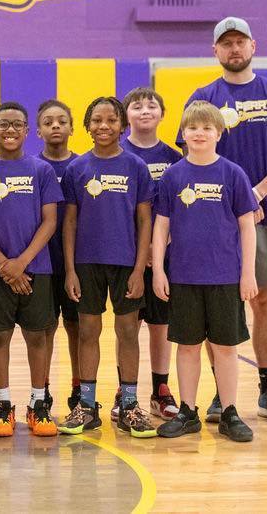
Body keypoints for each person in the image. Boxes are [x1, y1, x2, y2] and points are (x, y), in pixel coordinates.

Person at [178, 17, 267, 424]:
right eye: (226, 43)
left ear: (253, 46)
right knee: (221, 308)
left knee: (266, 302)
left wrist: (256, 193)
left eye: (240, 42)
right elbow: (193, 159)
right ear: (215, 51)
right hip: (215, 223)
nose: (234, 49)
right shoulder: (203, 97)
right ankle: (222, 394)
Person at [154, 101, 258, 442]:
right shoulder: (172, 176)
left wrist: (248, 274)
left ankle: (229, 412)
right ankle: (187, 411)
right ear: (183, 133)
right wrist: (158, 271)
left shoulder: (233, 174)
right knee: (187, 347)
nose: (199, 133)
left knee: (226, 347)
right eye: (192, 128)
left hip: (226, 277)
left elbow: (247, 226)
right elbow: (161, 227)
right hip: (183, 277)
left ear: (219, 132)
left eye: (207, 128)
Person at [59, 97, 156, 438]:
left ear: (122, 126)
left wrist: (139, 268)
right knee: (88, 331)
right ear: (87, 126)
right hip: (86, 264)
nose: (103, 126)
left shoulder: (136, 167)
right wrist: (70, 270)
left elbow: (145, 220)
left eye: (111, 120)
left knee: (128, 331)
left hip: (126, 263)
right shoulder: (76, 169)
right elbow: (69, 222)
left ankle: (129, 404)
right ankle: (86, 406)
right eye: (96, 120)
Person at [0, 102, 61, 438]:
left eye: (16, 124)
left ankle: (39, 404)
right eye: (3, 124)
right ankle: (3, 405)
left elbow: (50, 221)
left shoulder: (41, 171)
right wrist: (7, 266)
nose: (9, 130)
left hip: (37, 269)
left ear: (27, 130)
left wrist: (22, 263)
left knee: (37, 336)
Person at [121, 87, 182, 420]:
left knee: (161, 323)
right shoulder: (116, 153)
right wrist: (139, 249)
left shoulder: (174, 158)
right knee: (127, 324)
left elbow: (177, 206)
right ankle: (124, 390)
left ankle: (161, 389)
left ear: (162, 114)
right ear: (126, 114)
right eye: (137, 106)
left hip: (164, 256)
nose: (144, 111)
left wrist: (159, 247)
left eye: (152, 106)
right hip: (127, 254)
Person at [35, 99, 81, 411]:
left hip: (78, 261)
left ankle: (79, 386)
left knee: (77, 326)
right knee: (46, 326)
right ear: (37, 131)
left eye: (61, 121)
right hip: (43, 260)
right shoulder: (33, 168)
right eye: (48, 121)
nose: (55, 126)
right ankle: (44, 387)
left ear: (72, 128)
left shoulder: (82, 166)